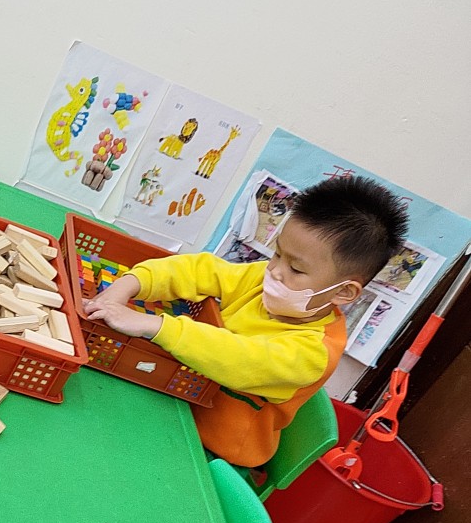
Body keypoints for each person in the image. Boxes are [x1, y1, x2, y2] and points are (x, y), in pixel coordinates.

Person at [84, 176, 409, 468]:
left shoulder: (312, 353)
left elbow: (238, 359)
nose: (275, 271)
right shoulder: (264, 278)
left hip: (214, 451)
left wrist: (155, 326)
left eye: (296, 269)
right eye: (277, 253)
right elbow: (199, 270)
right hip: (179, 403)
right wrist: (131, 284)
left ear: (343, 292)